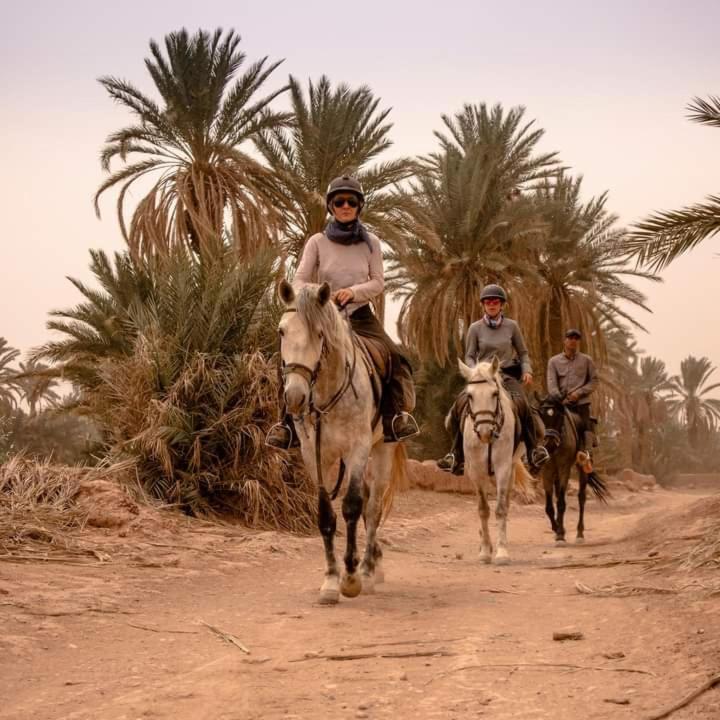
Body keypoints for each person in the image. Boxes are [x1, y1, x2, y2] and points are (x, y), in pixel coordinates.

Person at [266, 175, 419, 449]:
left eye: (351, 201)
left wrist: (353, 292)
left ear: (359, 206)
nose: (345, 206)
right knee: (290, 359)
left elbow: (378, 282)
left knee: (394, 357)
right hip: (323, 316)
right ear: (331, 207)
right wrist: (320, 295)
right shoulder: (317, 242)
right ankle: (285, 425)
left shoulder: (371, 242)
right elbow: (299, 280)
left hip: (359, 315)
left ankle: (394, 418)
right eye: (339, 201)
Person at [437, 284, 550, 475]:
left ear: (501, 305)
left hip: (506, 375)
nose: (491, 304)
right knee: (459, 405)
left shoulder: (512, 326)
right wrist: (475, 371)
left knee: (522, 403)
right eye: (488, 301)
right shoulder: (475, 328)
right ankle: (455, 455)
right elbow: (470, 355)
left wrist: (527, 370)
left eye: (495, 301)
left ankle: (533, 451)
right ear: (483, 305)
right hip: (483, 377)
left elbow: (523, 353)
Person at [546, 329, 599, 453]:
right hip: (559, 404)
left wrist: (578, 393)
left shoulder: (587, 360)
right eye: (570, 338)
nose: (573, 341)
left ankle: (587, 456)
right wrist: (559, 398)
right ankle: (538, 454)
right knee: (544, 421)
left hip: (581, 404)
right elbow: (551, 383)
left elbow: (594, 381)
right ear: (565, 340)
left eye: (576, 338)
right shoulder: (553, 361)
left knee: (587, 426)